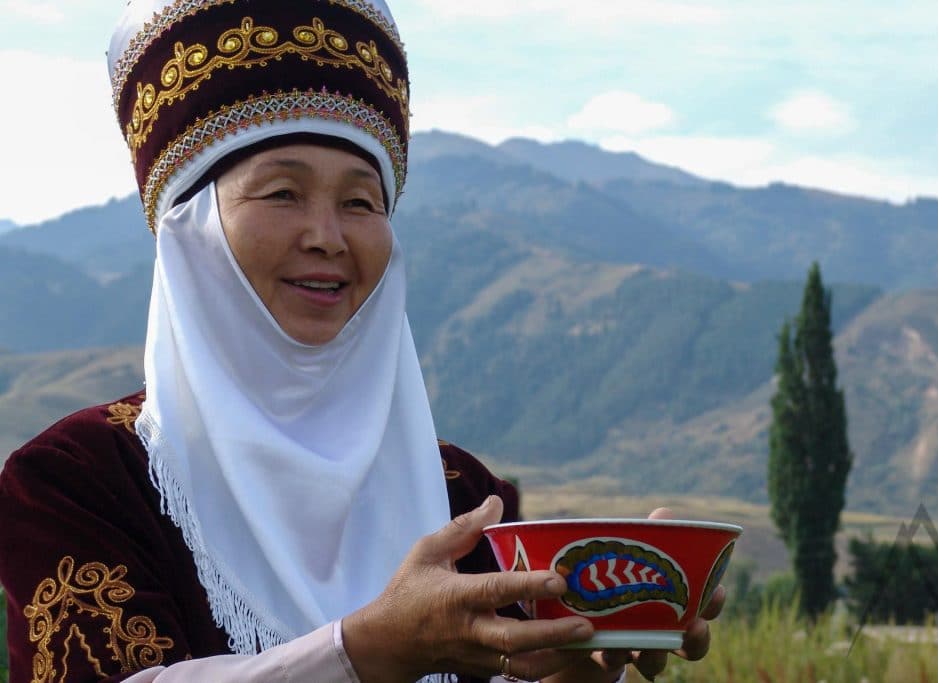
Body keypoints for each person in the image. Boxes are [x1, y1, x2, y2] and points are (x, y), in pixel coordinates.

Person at [0, 1, 725, 681]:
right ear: (194, 232)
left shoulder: (467, 501)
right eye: (282, 193)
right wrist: (368, 649)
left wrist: (582, 657)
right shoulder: (77, 482)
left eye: (360, 201)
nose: (328, 236)